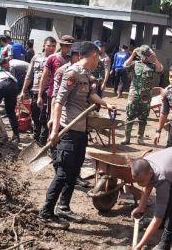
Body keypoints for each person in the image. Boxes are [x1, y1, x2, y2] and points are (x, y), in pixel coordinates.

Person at [38, 42, 114, 229]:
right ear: (95, 55)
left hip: (80, 131)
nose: (101, 61)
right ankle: (46, 213)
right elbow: (58, 102)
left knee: (74, 172)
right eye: (100, 57)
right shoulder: (72, 73)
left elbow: (90, 96)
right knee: (63, 173)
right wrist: (55, 130)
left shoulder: (86, 74)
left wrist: (105, 104)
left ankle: (63, 206)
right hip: (68, 130)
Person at [122, 45, 163, 145]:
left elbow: (160, 69)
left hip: (146, 96)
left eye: (147, 55)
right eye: (143, 55)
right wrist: (132, 55)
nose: (145, 57)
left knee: (143, 117)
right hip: (134, 94)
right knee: (129, 115)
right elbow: (125, 65)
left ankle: (140, 137)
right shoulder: (135, 64)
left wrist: (155, 58)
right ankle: (127, 137)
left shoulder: (152, 66)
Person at [20, 37, 56, 146]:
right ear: (44, 46)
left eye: (54, 46)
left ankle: (42, 141)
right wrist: (23, 91)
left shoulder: (56, 59)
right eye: (49, 45)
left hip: (48, 91)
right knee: (35, 115)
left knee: (44, 116)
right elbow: (29, 75)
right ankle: (35, 139)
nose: (51, 48)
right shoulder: (36, 58)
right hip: (35, 90)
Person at [37, 35, 75, 121]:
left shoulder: (74, 59)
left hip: (69, 95)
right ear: (61, 45)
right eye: (66, 45)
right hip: (54, 93)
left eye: (70, 46)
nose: (68, 48)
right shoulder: (52, 58)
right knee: (51, 118)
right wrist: (39, 95)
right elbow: (44, 77)